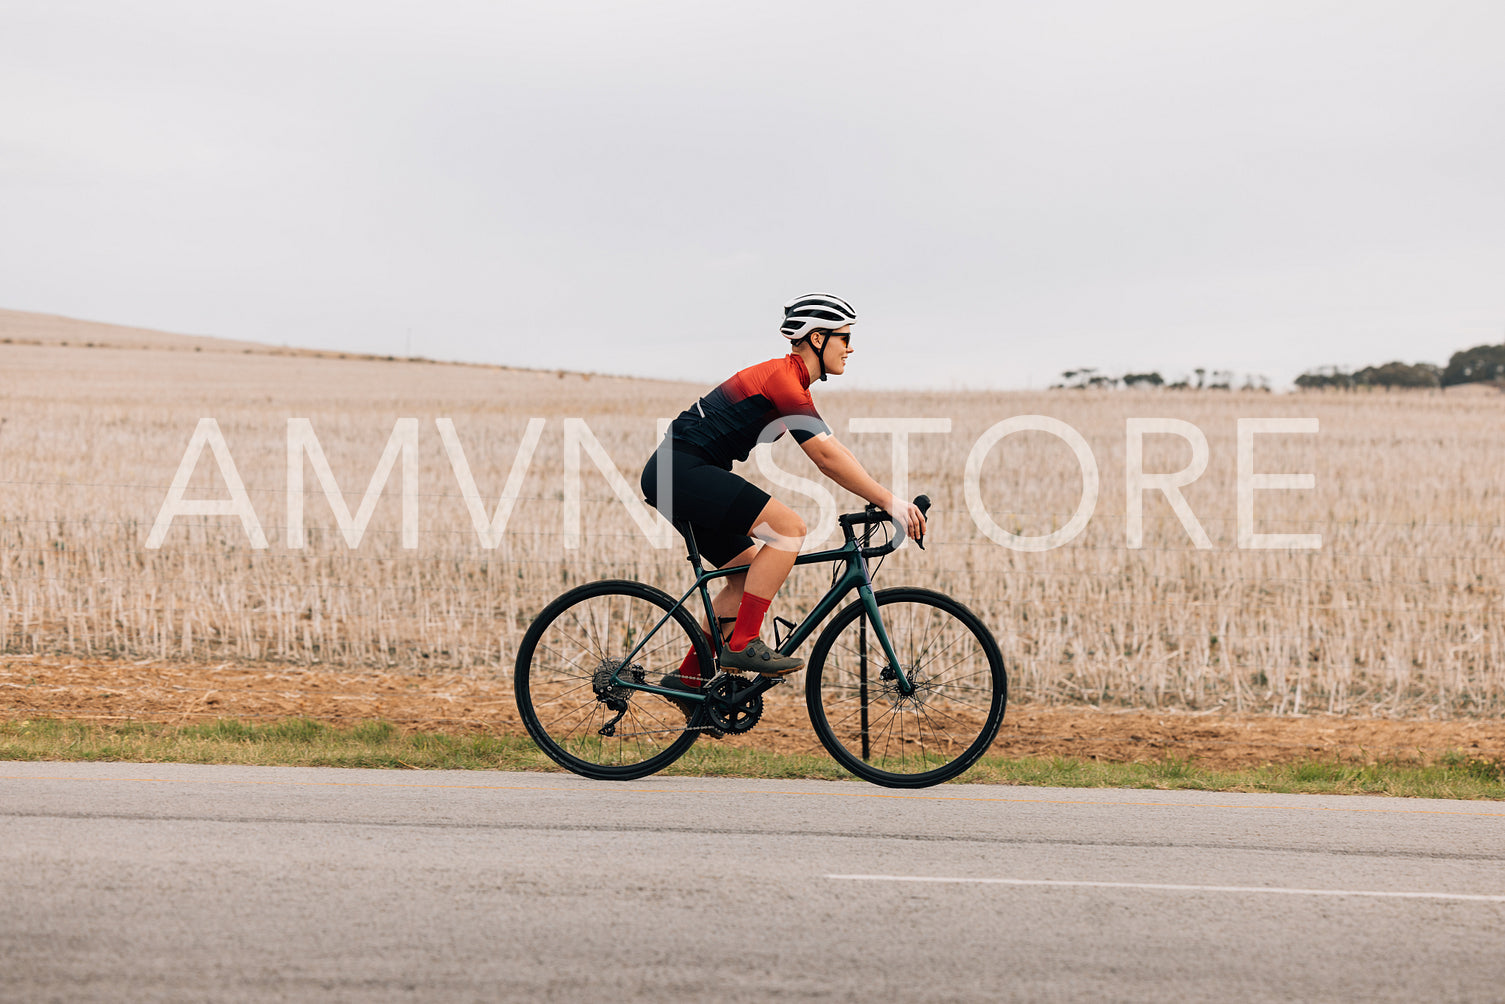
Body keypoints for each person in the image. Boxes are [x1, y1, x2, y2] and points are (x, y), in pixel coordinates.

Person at [639, 292, 927, 715]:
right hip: (679, 471)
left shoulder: (792, 383)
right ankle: (743, 644)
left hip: (680, 472)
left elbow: (834, 448)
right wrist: (891, 502)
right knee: (788, 529)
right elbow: (825, 459)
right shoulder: (782, 379)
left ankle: (690, 679)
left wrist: (887, 498)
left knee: (745, 574)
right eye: (843, 337)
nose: (850, 347)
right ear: (816, 338)